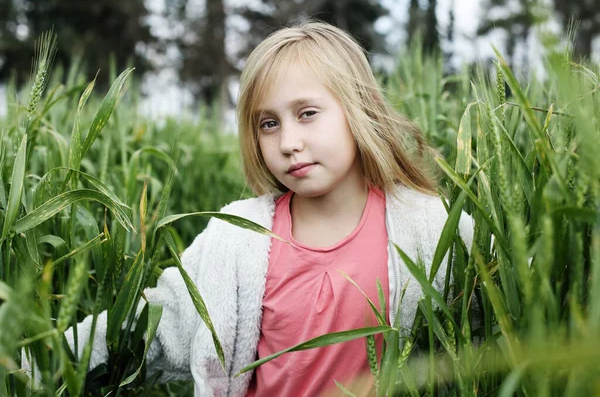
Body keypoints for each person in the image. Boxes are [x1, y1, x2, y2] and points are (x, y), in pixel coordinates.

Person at [26, 20, 474, 396]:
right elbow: (153, 324)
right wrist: (34, 359)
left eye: (307, 113)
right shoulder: (237, 236)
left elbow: (502, 305)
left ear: (358, 109)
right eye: (269, 123)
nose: (289, 143)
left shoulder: (425, 226)